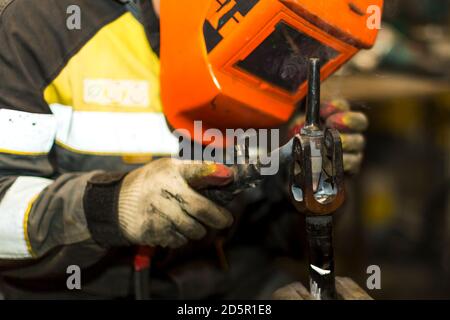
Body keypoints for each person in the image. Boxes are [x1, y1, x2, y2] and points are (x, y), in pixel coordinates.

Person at [0, 0, 368, 299]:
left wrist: (297, 179)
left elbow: (272, 238)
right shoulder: (44, 25)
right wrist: (109, 207)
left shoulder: (275, 30)